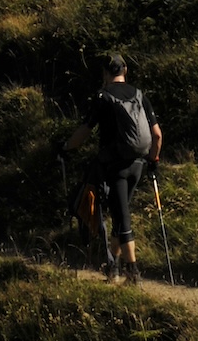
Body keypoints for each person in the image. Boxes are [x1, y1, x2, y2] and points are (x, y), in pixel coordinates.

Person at [63, 54, 162, 285]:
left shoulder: (103, 97)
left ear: (106, 73)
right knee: (120, 213)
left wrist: (66, 146)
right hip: (138, 164)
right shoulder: (140, 95)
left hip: (115, 166)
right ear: (125, 70)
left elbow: (85, 130)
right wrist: (153, 159)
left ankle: (133, 273)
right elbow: (157, 135)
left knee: (122, 219)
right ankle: (113, 268)